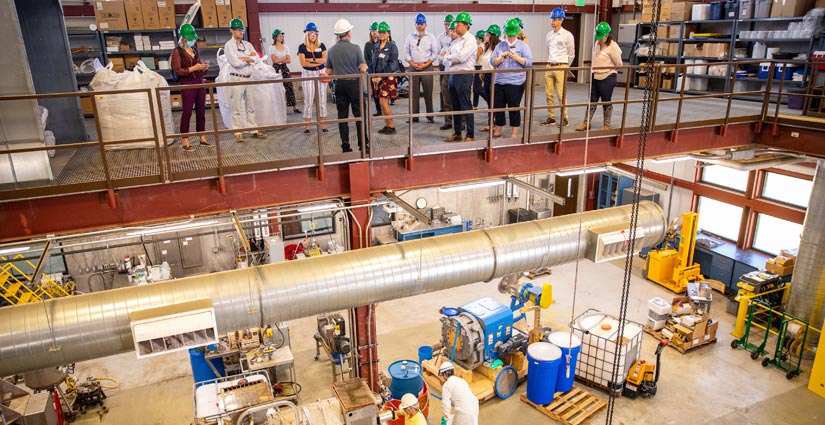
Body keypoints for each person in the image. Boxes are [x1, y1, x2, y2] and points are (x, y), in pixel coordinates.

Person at [327, 19, 368, 153]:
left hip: (340, 85)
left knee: (342, 116)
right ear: (348, 33)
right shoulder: (355, 48)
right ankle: (363, 145)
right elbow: (363, 68)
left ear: (337, 35)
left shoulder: (331, 50)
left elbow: (328, 71)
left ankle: (345, 146)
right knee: (360, 115)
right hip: (354, 85)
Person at [224, 18, 265, 141]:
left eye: (242, 29)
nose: (241, 32)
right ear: (232, 31)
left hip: (249, 77)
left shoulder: (247, 44)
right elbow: (235, 63)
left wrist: (244, 58)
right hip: (237, 78)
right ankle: (237, 131)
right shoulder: (228, 45)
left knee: (251, 105)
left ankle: (253, 128)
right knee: (236, 106)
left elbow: (257, 58)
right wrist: (248, 58)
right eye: (238, 30)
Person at [491, 18, 533, 139]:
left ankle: (515, 132)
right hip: (499, 81)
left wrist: (516, 58)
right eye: (508, 35)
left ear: (517, 34)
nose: (510, 38)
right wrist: (501, 58)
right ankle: (498, 129)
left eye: (512, 35)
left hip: (515, 82)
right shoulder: (500, 45)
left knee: (514, 107)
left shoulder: (523, 46)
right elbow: (493, 61)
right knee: (498, 106)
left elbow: (529, 62)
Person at [171, 23, 210, 151]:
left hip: (199, 81)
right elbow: (178, 70)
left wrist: (204, 67)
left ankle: (202, 137)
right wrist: (194, 67)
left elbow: (200, 69)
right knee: (187, 111)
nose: (193, 41)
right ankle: (185, 139)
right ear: (184, 38)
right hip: (187, 83)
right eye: (191, 39)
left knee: (201, 110)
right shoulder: (177, 52)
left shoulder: (195, 50)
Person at [577, 22, 622, 131]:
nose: (600, 40)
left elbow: (619, 64)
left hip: (607, 77)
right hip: (595, 76)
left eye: (602, 38)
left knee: (606, 100)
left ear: (607, 36)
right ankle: (586, 123)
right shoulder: (597, 43)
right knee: (592, 100)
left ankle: (607, 124)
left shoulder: (613, 46)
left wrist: (609, 70)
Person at [442, 12, 477, 143]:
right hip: (453, 74)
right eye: (455, 24)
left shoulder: (470, 40)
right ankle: (457, 133)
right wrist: (450, 59)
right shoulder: (456, 41)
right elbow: (445, 58)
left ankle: (470, 135)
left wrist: (449, 58)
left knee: (466, 105)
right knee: (454, 105)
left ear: (466, 26)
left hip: (464, 74)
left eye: (458, 24)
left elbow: (461, 57)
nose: (455, 26)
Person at [542, 7, 575, 127]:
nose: (552, 21)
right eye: (552, 19)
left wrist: (565, 66)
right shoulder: (548, 35)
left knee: (561, 94)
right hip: (549, 65)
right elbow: (548, 49)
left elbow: (571, 53)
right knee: (548, 93)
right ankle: (551, 117)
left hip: (561, 66)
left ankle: (564, 118)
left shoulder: (567, 35)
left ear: (561, 20)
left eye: (555, 19)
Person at [403, 13, 437, 124]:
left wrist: (425, 64)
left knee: (428, 93)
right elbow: (406, 52)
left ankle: (430, 116)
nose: (419, 26)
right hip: (414, 68)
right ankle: (414, 116)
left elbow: (434, 53)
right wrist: (412, 64)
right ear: (415, 25)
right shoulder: (410, 37)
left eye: (421, 24)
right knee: (414, 94)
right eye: (418, 24)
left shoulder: (431, 37)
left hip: (427, 67)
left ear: (425, 25)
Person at [298, 22, 328, 133]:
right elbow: (303, 63)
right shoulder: (302, 47)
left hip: (320, 74)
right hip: (308, 74)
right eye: (311, 33)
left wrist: (310, 60)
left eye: (315, 33)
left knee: (322, 99)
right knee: (308, 100)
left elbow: (324, 60)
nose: (313, 35)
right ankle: (307, 126)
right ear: (306, 34)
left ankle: (323, 125)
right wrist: (316, 62)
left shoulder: (321, 46)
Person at [371, 21, 400, 135]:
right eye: (380, 32)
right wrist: (373, 76)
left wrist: (381, 77)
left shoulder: (392, 46)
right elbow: (374, 62)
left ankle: (391, 126)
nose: (382, 34)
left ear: (388, 33)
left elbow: (393, 64)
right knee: (382, 102)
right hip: (377, 78)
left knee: (384, 102)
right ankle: (386, 125)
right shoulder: (376, 46)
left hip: (388, 77)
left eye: (384, 32)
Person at [269, 29, 301, 114]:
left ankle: (294, 106)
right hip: (276, 68)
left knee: (289, 86)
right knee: (276, 87)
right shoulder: (272, 48)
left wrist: (280, 59)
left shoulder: (285, 47)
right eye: (279, 36)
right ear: (275, 37)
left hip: (284, 68)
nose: (281, 37)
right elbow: (274, 61)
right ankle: (278, 107)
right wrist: (284, 59)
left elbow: (289, 60)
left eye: (282, 36)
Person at [477, 25, 499, 132]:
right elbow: (484, 61)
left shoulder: (497, 48)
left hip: (493, 75)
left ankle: (495, 124)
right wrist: (481, 70)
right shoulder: (486, 47)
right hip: (486, 75)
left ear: (493, 36)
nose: (485, 36)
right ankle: (490, 123)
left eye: (487, 35)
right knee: (489, 101)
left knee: (494, 101)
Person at [437, 14, 454, 128]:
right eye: (446, 24)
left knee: (457, 97)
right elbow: (439, 55)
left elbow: (459, 57)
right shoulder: (441, 38)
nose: (448, 28)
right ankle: (448, 121)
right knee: (445, 95)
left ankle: (461, 121)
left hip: (457, 72)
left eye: (450, 25)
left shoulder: (460, 41)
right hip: (445, 69)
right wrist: (446, 58)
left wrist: (446, 57)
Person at [364, 22, 382, 117]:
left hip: (381, 71)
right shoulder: (368, 45)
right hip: (372, 71)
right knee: (374, 90)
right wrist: (372, 67)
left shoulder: (382, 43)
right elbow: (366, 58)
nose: (374, 33)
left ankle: (384, 108)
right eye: (372, 31)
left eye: (375, 31)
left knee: (382, 90)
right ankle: (378, 109)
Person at [472, 30, 485, 109]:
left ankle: (489, 100)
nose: (476, 40)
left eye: (476, 38)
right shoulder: (483, 46)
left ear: (480, 39)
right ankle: (475, 104)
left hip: (479, 66)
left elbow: (476, 57)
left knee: (478, 88)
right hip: (478, 66)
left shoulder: (480, 47)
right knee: (475, 88)